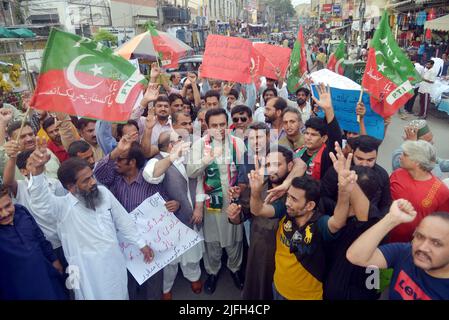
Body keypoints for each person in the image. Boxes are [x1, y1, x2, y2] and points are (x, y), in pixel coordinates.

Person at [27, 140, 154, 300]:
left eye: (92, 176)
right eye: (86, 180)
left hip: (114, 265)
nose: (93, 182)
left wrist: (141, 243)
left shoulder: (103, 194)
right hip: (85, 272)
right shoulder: (62, 207)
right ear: (71, 187)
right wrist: (37, 174)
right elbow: (41, 204)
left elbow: (124, 221)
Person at [248, 162, 356, 300]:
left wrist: (344, 191)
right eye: (288, 196)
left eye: (293, 199)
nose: (287, 202)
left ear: (310, 205)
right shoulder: (285, 211)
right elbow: (257, 210)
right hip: (278, 287)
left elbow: (337, 222)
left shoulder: (320, 224)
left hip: (306, 296)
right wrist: (255, 192)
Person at [94, 133, 169, 299]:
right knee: (129, 284)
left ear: (133, 162)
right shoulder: (114, 179)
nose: (116, 163)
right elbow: (98, 173)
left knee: (153, 285)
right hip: (125, 243)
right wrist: (115, 152)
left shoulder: (150, 179)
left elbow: (164, 202)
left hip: (151, 241)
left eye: (120, 159)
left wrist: (173, 205)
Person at [187, 108, 246, 295]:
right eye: (214, 125)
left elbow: (244, 174)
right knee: (212, 240)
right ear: (206, 125)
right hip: (210, 200)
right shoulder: (199, 145)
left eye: (222, 125)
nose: (219, 129)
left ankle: (235, 269)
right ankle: (212, 272)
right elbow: (191, 173)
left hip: (232, 200)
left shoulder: (238, 143)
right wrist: (206, 159)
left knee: (234, 240)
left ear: (228, 124)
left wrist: (241, 189)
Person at [228, 146, 295, 300]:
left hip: (286, 257)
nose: (272, 170)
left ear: (290, 166)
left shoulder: (296, 191)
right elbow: (242, 215)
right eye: (268, 165)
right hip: (258, 251)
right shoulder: (259, 185)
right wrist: (234, 215)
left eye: (277, 165)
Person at [143, 131, 204, 300]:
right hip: (170, 222)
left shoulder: (187, 158)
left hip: (193, 216)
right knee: (170, 261)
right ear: (171, 145)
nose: (184, 142)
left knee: (192, 254)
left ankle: (194, 277)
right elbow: (150, 176)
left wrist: (199, 207)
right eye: (179, 140)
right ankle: (166, 288)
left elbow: (198, 182)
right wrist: (171, 158)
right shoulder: (156, 161)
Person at [347, 201, 449, 300]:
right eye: (420, 236)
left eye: (436, 243)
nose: (422, 247)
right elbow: (356, 256)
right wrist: (392, 218)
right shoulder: (405, 252)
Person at [0, 185, 67, 300]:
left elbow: (40, 237)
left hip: (46, 276)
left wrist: (54, 261)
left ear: (11, 199)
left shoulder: (21, 211)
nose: (5, 214)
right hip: (17, 288)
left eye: (7, 206)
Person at [389, 140, 449, 243]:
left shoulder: (441, 191)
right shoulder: (396, 174)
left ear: (417, 162)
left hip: (413, 247)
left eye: (405, 154)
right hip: (384, 238)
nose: (400, 156)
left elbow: (443, 223)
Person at [321, 136, 392, 217]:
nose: (364, 164)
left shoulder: (382, 175)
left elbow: (385, 204)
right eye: (360, 159)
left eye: (370, 160)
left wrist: (377, 221)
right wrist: (346, 211)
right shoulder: (337, 171)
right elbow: (324, 198)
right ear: (352, 153)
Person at [293, 83, 343, 180]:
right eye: (307, 133)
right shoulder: (298, 152)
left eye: (313, 135)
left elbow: (335, 138)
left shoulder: (327, 155)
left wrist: (328, 109)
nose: (308, 137)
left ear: (324, 138)